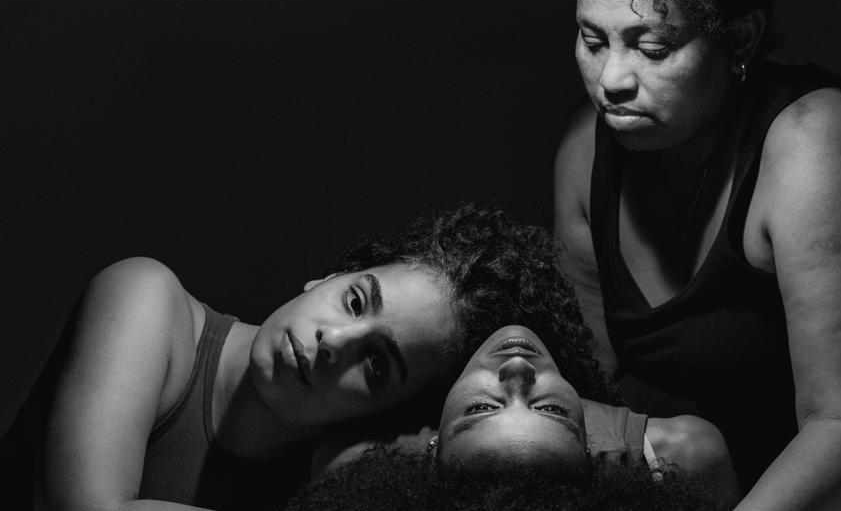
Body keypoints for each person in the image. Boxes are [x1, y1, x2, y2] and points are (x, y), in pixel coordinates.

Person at [552, 0, 841, 510]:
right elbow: (588, 384)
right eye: (593, 41)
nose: (612, 79)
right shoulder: (586, 151)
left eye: (653, 49)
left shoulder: (818, 143)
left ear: (740, 40)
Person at [1, 203, 590, 511]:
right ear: (327, 278)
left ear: (386, 415)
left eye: (376, 365)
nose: (334, 342)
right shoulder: (146, 298)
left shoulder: (335, 483)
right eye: (355, 300)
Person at [297, 324, 741, 511]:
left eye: (480, 409)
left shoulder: (355, 464)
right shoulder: (681, 455)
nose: (516, 368)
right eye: (551, 410)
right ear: (588, 450)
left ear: (433, 450)